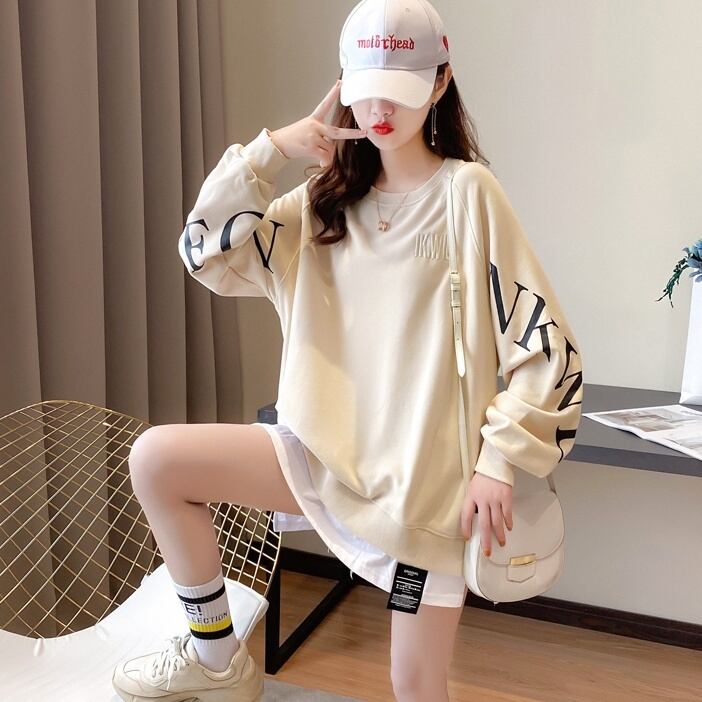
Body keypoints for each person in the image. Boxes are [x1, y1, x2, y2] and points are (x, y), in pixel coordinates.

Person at [112, 0, 583, 700]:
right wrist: (273, 149)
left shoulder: (467, 195)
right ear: (343, 84)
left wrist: (498, 461)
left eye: (400, 92)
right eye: (365, 92)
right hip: (319, 458)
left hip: (423, 491)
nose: (379, 112)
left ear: (441, 81)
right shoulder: (319, 207)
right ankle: (216, 660)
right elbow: (204, 251)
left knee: (414, 683)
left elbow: (546, 347)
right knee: (157, 460)